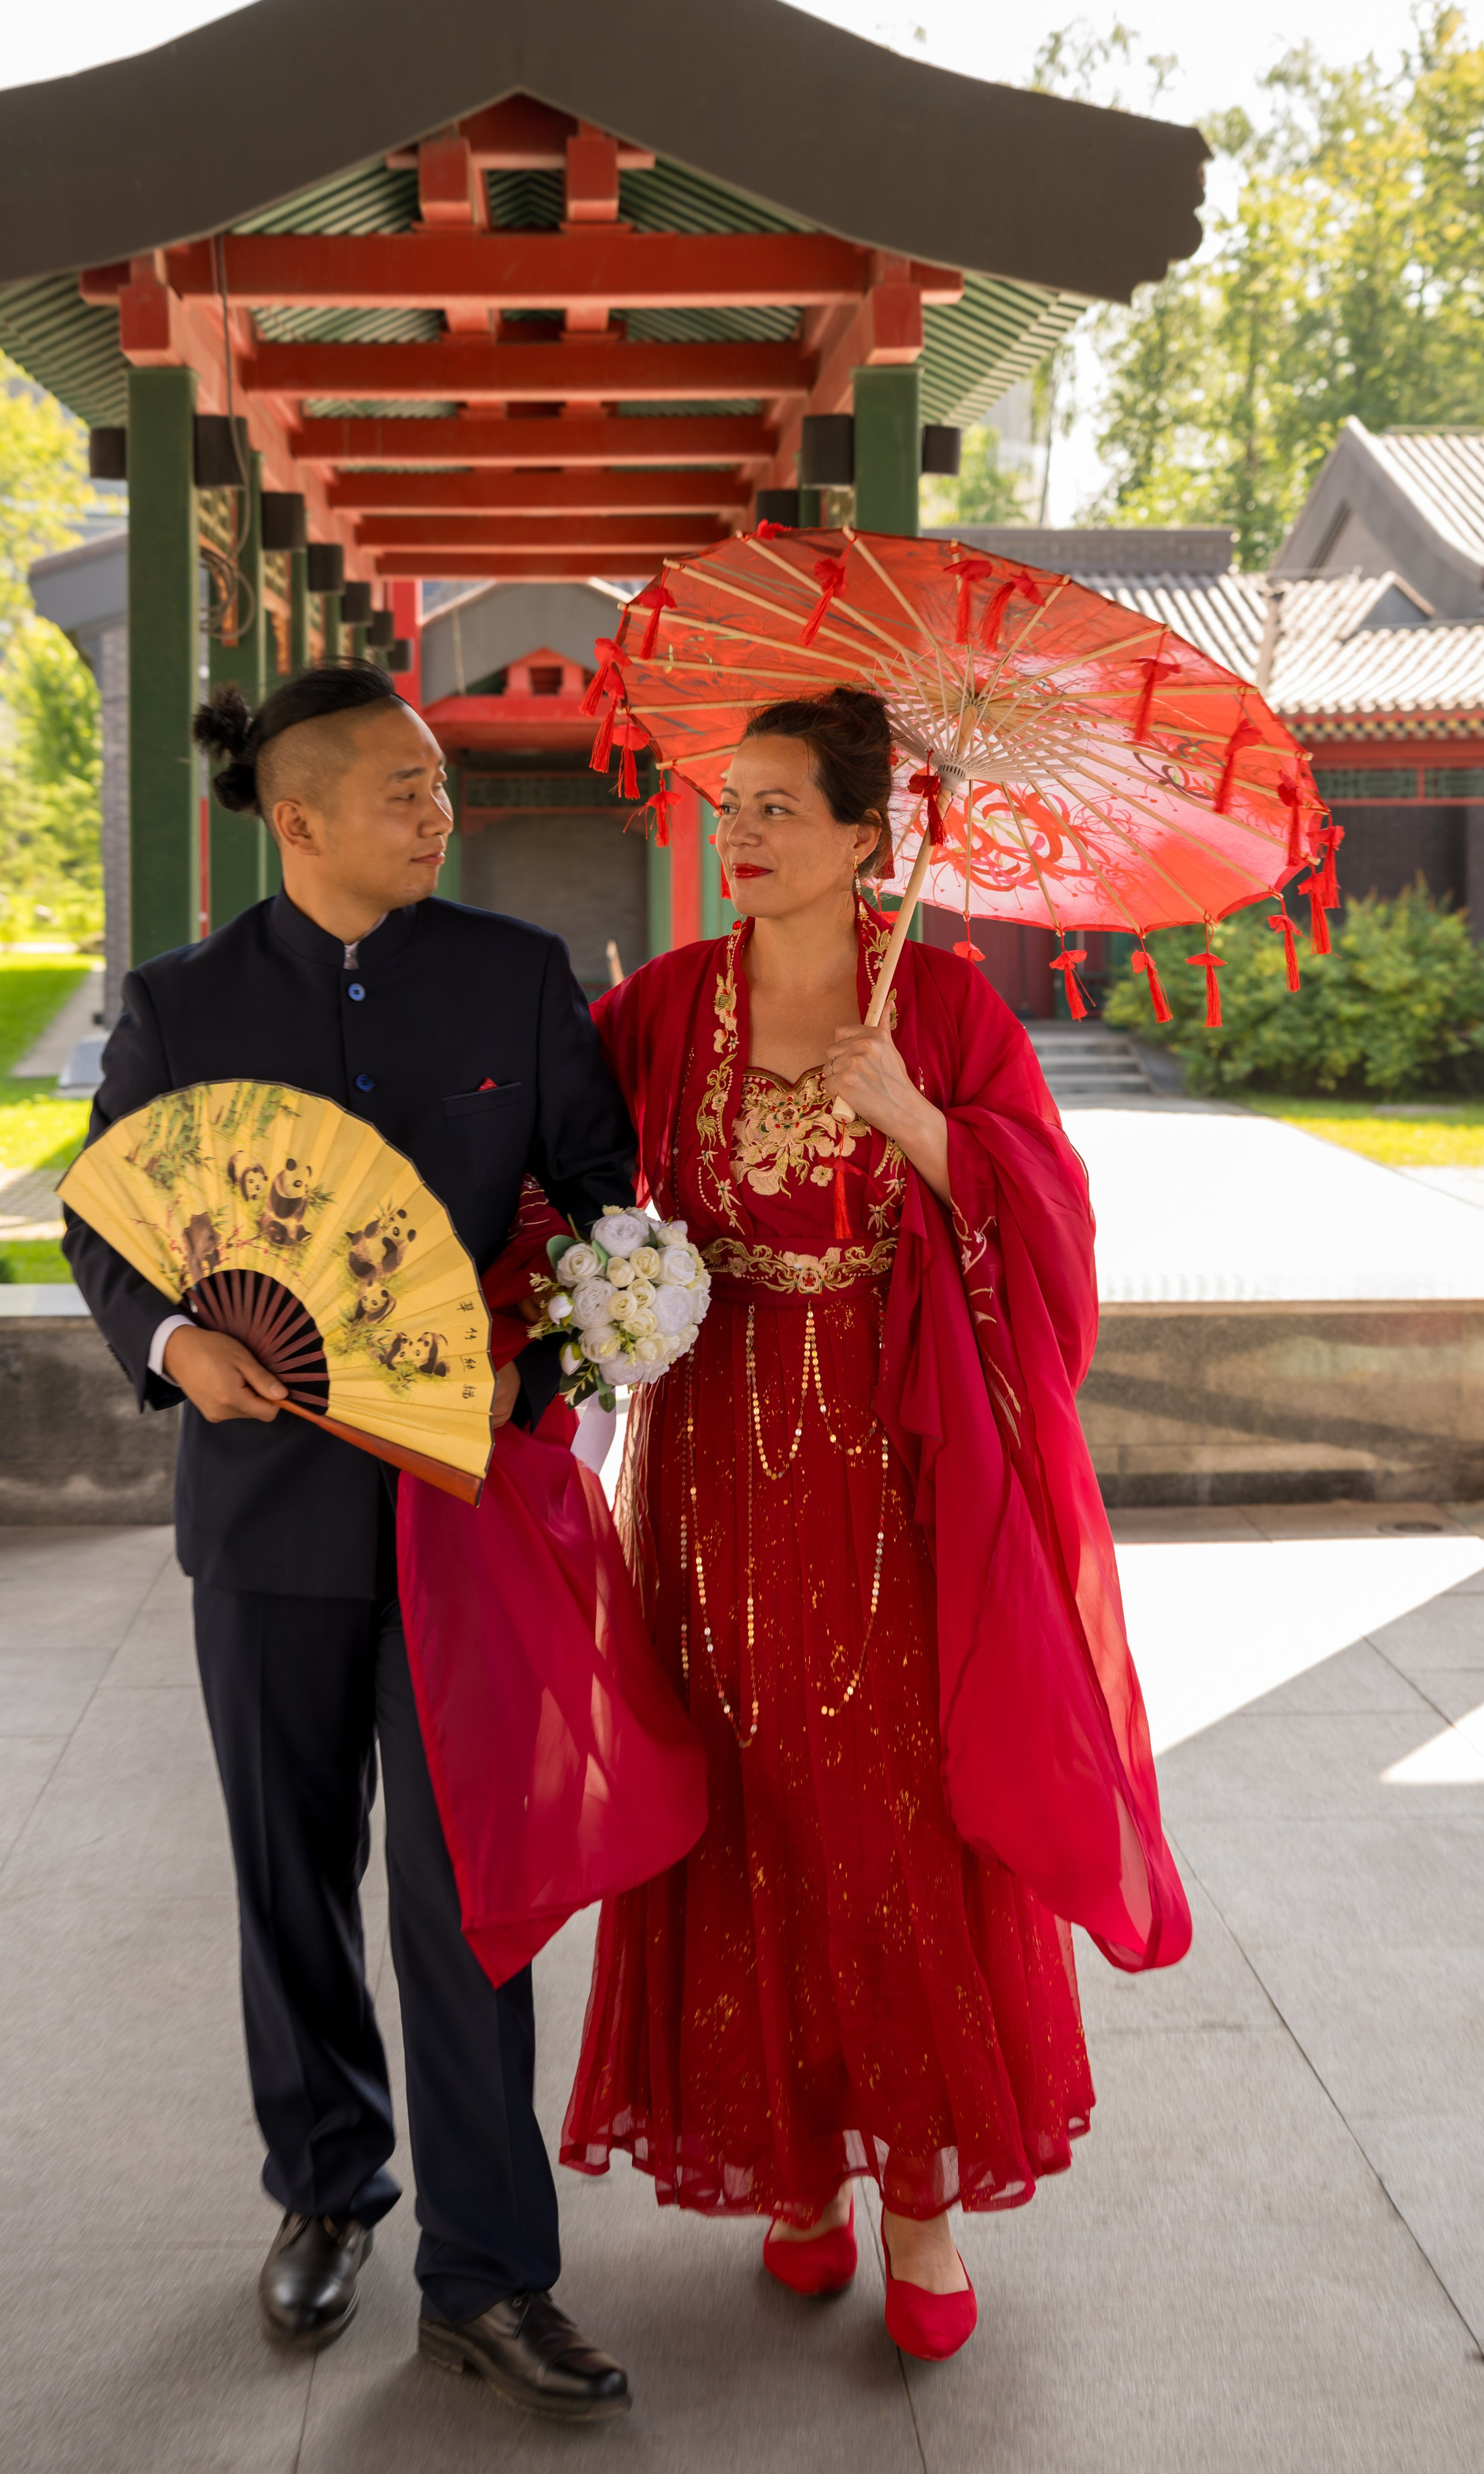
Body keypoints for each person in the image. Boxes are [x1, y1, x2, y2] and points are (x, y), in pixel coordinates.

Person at [559, 687, 1191, 2361]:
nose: (741, 834)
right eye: (732, 804)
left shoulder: (955, 1012)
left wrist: (918, 1121)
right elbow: (553, 1176)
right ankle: (793, 2175)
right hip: (702, 1468)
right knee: (738, 1793)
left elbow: (1053, 1235)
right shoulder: (659, 1005)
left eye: (778, 808)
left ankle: (914, 2192)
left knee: (887, 1810)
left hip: (892, 1475)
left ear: (865, 839)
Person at [63, 660, 639, 2421]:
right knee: (288, 1878)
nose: (437, 806)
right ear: (296, 818)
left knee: (474, 1900)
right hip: (265, 1523)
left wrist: (534, 1369)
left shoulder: (517, 977)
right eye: (402, 785)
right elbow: (110, 1229)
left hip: (464, 1517)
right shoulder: (180, 1007)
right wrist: (178, 1343)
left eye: (440, 781)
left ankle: (491, 2271)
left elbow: (610, 1214)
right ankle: (326, 2188)